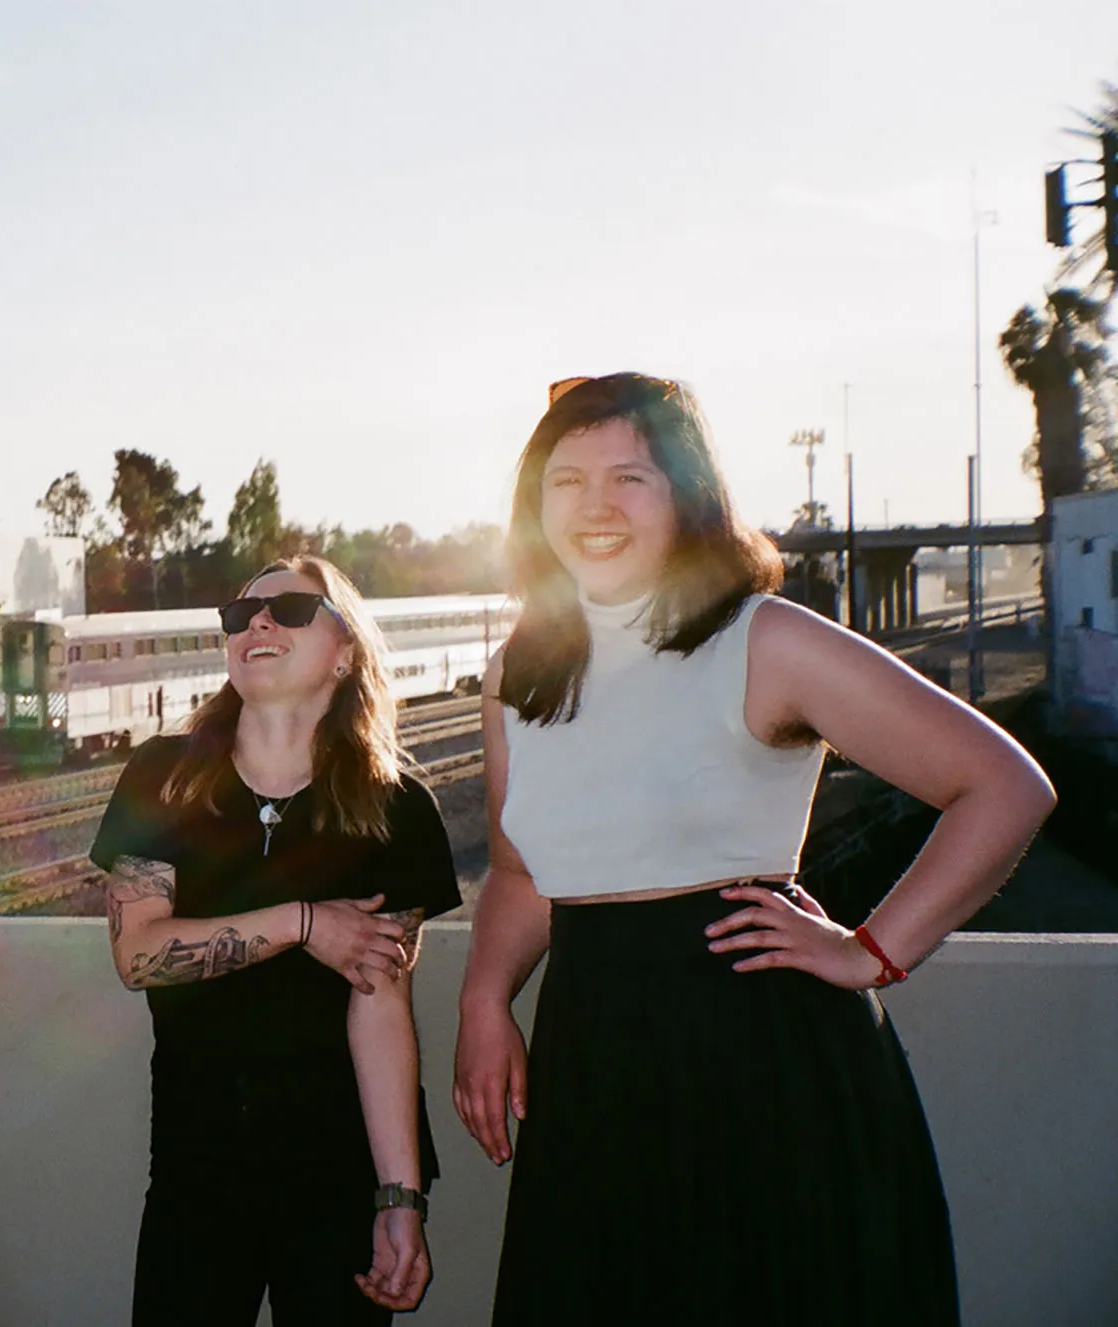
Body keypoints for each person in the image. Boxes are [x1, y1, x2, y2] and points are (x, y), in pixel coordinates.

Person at [453, 373, 1056, 1325]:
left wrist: (870, 948)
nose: (595, 506)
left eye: (630, 478)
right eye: (566, 480)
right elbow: (525, 871)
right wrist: (486, 1000)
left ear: (688, 497)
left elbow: (1005, 787)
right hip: (593, 1065)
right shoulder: (517, 673)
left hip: (760, 1063)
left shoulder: (763, 638)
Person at [89, 556, 463, 1326]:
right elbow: (139, 954)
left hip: (337, 1175)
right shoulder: (161, 775)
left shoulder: (397, 810)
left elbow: (382, 1005)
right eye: (239, 614)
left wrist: (401, 1196)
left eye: (290, 607)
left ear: (345, 650)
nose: (255, 623)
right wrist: (305, 922)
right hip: (196, 1173)